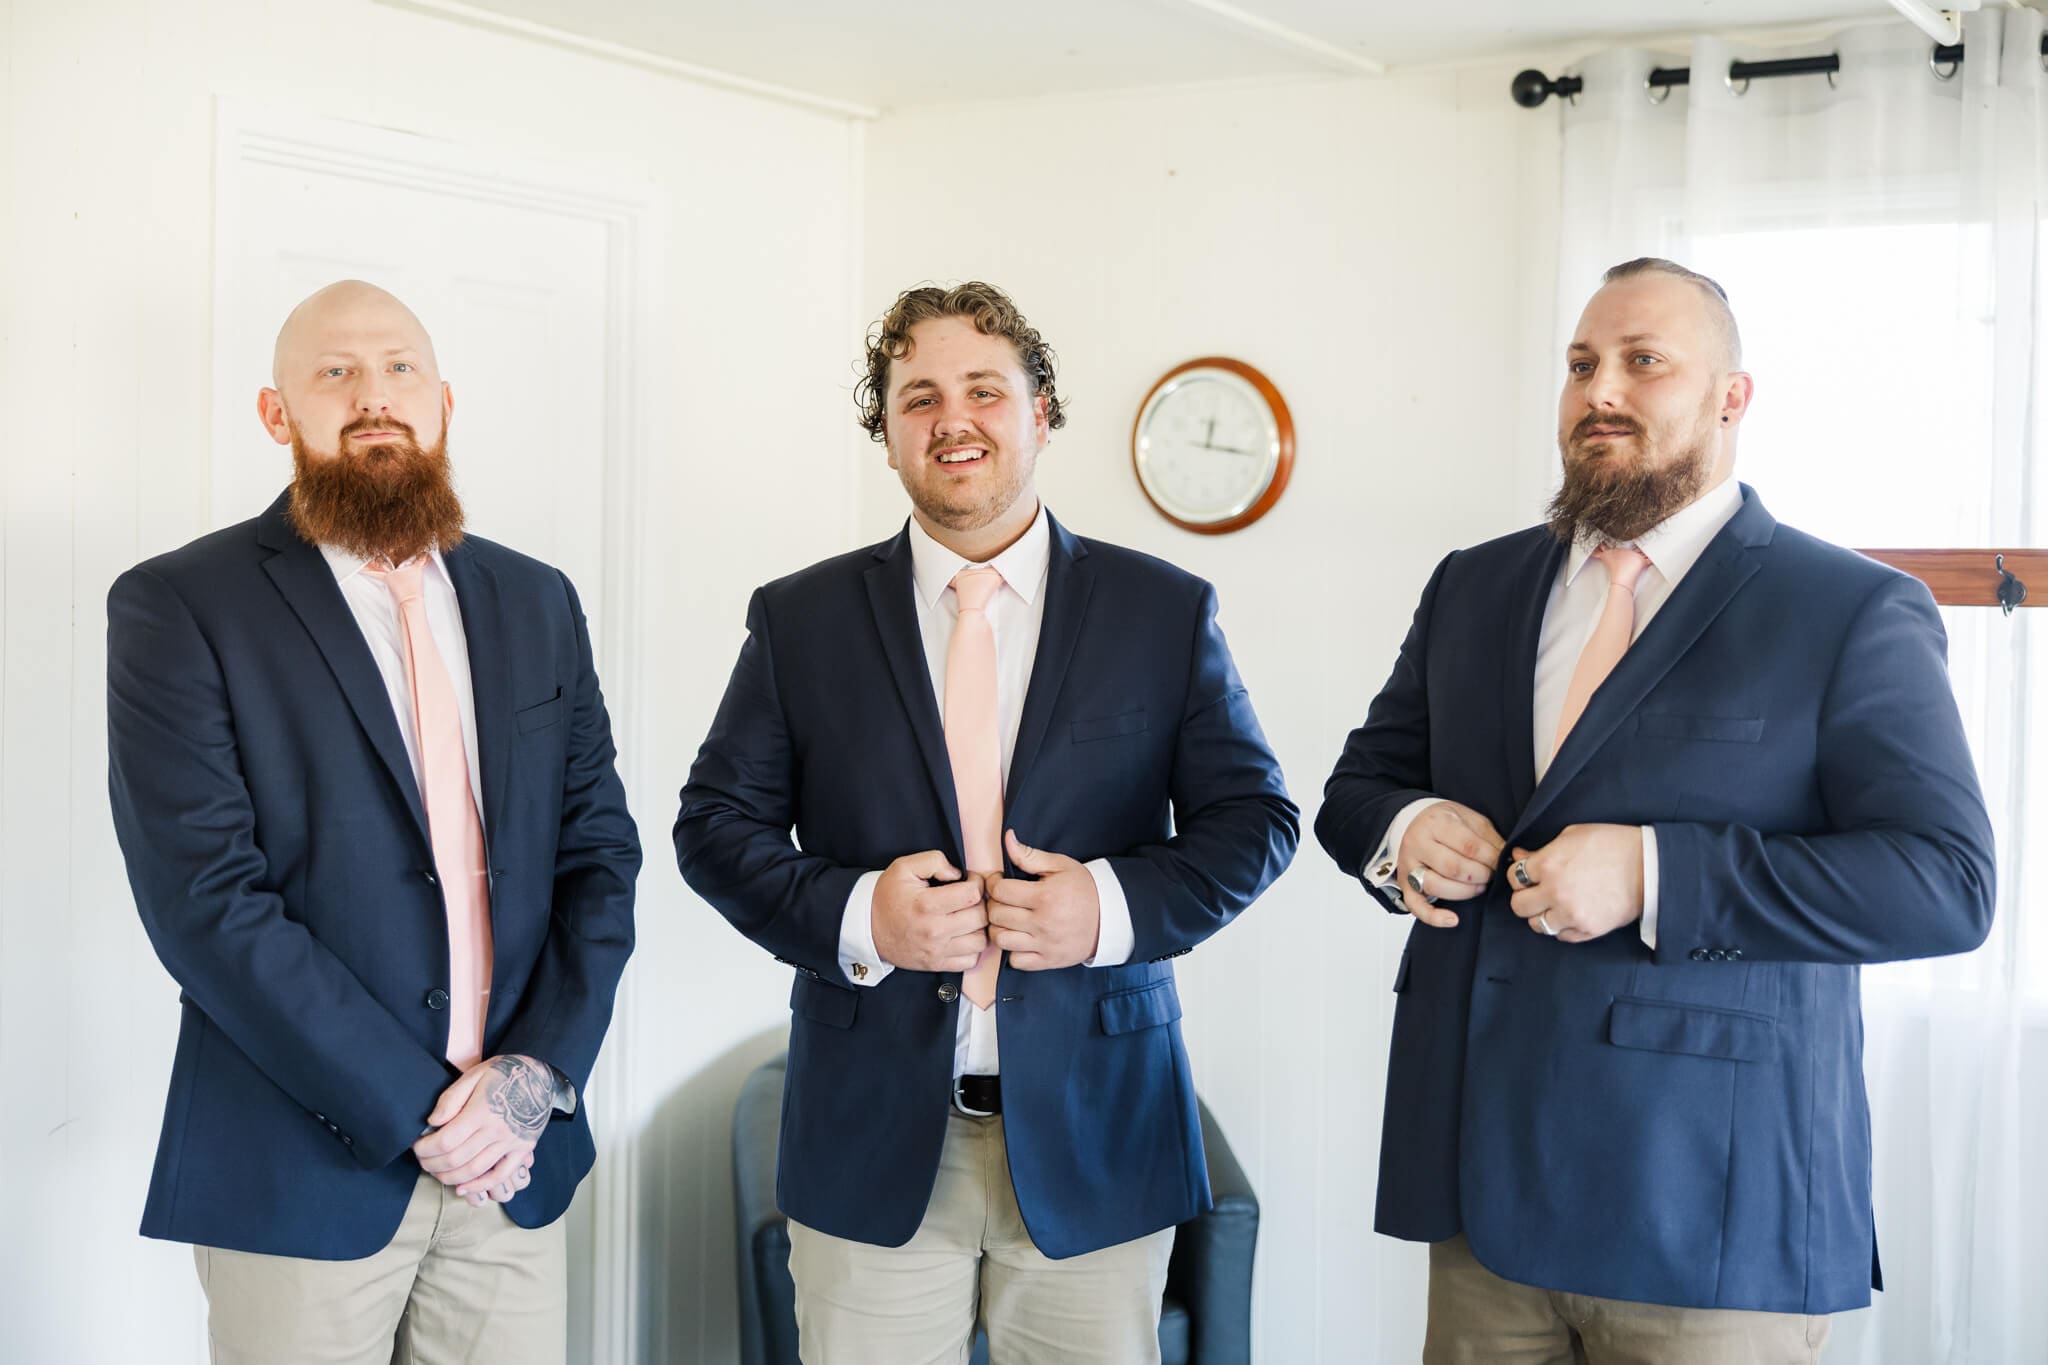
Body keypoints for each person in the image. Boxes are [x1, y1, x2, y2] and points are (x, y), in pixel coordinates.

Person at [1316, 257, 1995, 1362]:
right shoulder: (1471, 586)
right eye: (1581, 364)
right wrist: (1402, 834)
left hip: (1715, 1220)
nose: (1600, 392)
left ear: (1730, 398)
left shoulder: (1850, 609)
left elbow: (1944, 885)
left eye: (1642, 363)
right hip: (1479, 1197)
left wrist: (1653, 874)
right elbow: (1357, 791)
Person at [675, 281, 1297, 1363]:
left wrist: (1102, 910)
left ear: (1040, 411)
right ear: (887, 436)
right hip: (867, 1138)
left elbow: (1254, 820)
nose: (950, 419)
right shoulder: (799, 620)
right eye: (917, 397)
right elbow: (712, 825)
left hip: (1100, 1129)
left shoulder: (1162, 611)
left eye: (982, 390)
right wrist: (862, 916)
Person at [107, 280, 640, 1365]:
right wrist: (429, 1117)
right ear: (277, 414)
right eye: (334, 373)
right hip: (300, 1168)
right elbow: (204, 901)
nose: (372, 396)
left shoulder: (537, 601)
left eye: (399, 369)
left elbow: (599, 861)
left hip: (516, 1170)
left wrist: (528, 1084)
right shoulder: (180, 606)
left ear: (445, 401)